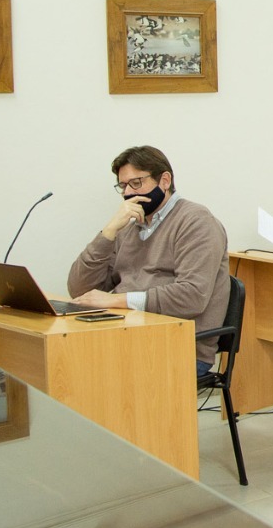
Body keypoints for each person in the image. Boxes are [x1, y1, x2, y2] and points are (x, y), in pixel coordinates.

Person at [68, 145, 230, 377]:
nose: (128, 193)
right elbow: (79, 289)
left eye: (136, 183)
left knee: (88, 373)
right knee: (64, 362)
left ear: (165, 180)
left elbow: (192, 296)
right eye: (123, 186)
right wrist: (109, 231)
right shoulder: (130, 226)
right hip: (126, 333)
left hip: (179, 346)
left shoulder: (197, 222)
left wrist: (117, 301)